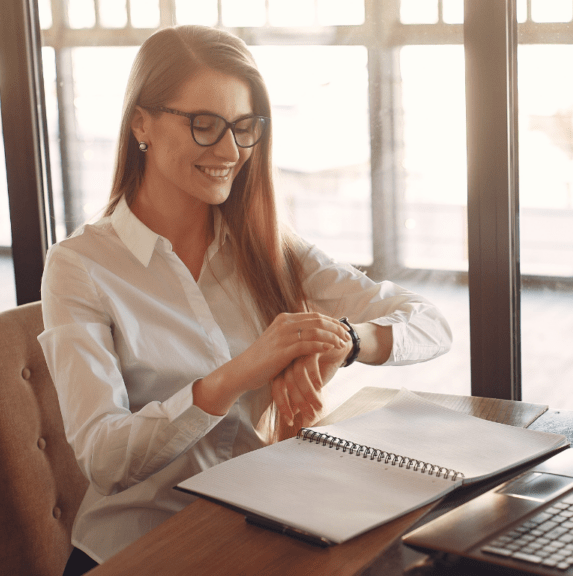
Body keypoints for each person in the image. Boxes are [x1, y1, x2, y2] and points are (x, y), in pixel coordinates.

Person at [38, 25, 452, 576]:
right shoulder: (80, 267)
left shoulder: (265, 244)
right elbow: (104, 457)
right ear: (141, 122)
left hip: (254, 525)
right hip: (136, 550)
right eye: (204, 125)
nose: (230, 151)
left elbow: (430, 322)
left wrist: (346, 341)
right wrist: (238, 373)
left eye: (242, 127)